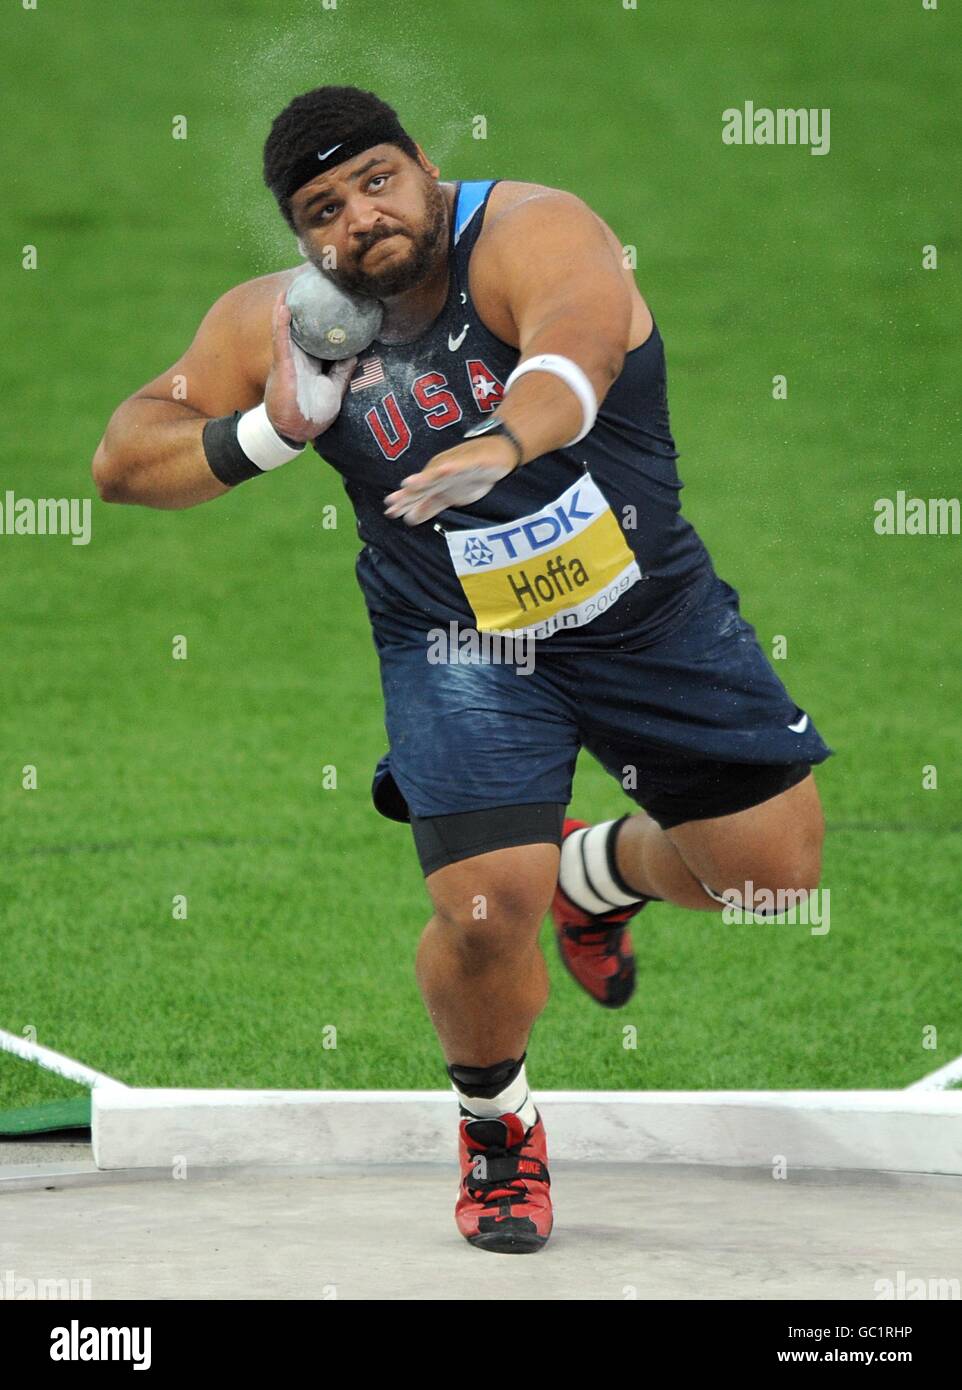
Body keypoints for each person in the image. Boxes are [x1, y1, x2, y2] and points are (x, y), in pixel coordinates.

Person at [92, 85, 832, 1255]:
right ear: (303, 238)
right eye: (322, 209)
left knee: (772, 876)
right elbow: (123, 461)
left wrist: (503, 440)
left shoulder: (533, 230)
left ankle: (594, 878)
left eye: (378, 180)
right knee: (486, 907)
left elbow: (575, 345)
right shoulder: (280, 322)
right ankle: (496, 1125)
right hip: (461, 646)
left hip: (646, 616)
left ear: (426, 169)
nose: (360, 218)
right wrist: (271, 432)